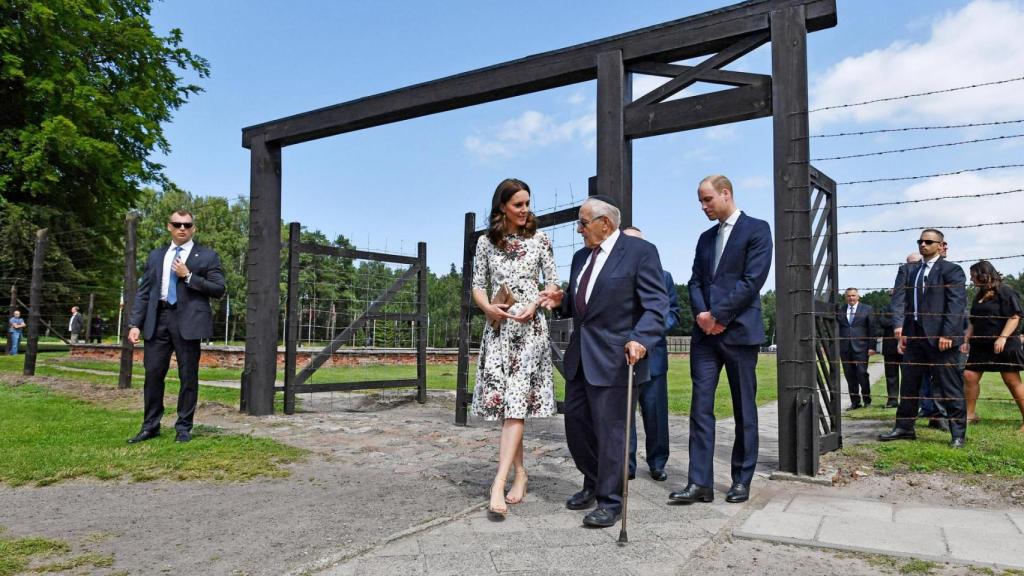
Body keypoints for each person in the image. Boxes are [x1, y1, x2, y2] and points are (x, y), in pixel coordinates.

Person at [538, 195, 667, 528]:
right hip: (580, 358)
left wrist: (641, 338)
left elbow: (656, 305)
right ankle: (594, 483)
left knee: (611, 434)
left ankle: (611, 501)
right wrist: (561, 300)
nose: (579, 230)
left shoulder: (640, 252)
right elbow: (583, 304)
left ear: (605, 223)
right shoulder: (581, 257)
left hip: (617, 359)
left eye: (583, 223)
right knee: (577, 427)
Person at [669, 174, 772, 506]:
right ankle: (699, 482)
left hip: (739, 333)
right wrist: (703, 315)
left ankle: (741, 480)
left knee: (744, 409)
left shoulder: (757, 230)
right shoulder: (705, 238)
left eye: (707, 199)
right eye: (700, 201)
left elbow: (752, 280)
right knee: (700, 409)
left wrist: (718, 315)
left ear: (726, 193)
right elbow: (695, 281)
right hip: (705, 338)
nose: (703, 207)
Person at [470, 178, 559, 518]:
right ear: (502, 207)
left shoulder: (540, 240)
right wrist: (488, 308)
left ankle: (498, 482)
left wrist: (536, 303)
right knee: (510, 406)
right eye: (518, 204)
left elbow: (552, 284)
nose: (525, 210)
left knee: (516, 405)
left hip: (529, 330)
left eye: (527, 203)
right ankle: (521, 473)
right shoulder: (485, 243)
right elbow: (478, 285)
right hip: (498, 330)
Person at [127, 210, 225, 444]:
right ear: (169, 226)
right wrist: (135, 323)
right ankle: (150, 426)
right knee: (153, 374)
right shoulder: (156, 255)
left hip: (188, 322)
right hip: (158, 319)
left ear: (194, 229)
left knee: (188, 376)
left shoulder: (207, 256)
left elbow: (218, 288)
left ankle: (183, 427)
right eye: (177, 224)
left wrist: (189, 276)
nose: (182, 228)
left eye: (187, 225)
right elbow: (144, 292)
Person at [879, 229, 967, 448]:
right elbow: (899, 300)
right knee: (909, 385)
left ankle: (958, 434)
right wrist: (899, 327)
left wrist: (948, 333)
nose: (923, 245)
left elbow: (956, 304)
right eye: (920, 241)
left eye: (928, 241)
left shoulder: (952, 270)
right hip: (914, 336)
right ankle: (904, 427)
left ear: (940, 245)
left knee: (949, 386)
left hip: (941, 338)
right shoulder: (909, 270)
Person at [622, 226, 679, 482]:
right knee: (625, 415)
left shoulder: (664, 277)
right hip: (623, 357)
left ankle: (657, 463)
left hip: (653, 356)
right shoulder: (616, 277)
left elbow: (672, 313)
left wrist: (649, 334)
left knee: (655, 414)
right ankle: (627, 465)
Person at [962, 261, 1024, 431]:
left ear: (983, 274)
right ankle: (970, 414)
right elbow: (973, 321)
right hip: (981, 344)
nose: (971, 279)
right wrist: (966, 340)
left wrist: (1002, 338)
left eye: (973, 275)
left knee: (1011, 380)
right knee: (969, 375)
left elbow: (1015, 316)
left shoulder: (1005, 291)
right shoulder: (979, 295)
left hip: (1004, 343)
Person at [838, 288, 875, 410]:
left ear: (858, 296)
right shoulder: (841, 310)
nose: (851, 298)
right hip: (845, 348)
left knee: (862, 374)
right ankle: (855, 402)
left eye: (853, 295)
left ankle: (867, 400)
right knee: (849, 375)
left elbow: (872, 328)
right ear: (846, 298)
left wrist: (872, 346)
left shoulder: (867, 309)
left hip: (862, 347)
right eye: (849, 296)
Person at [876, 289, 902, 408]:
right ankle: (892, 400)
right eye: (892, 295)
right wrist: (899, 321)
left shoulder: (907, 307)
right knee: (891, 375)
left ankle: (907, 400)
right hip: (890, 347)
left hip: (905, 346)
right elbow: (882, 321)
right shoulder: (885, 309)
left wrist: (893, 320)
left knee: (908, 376)